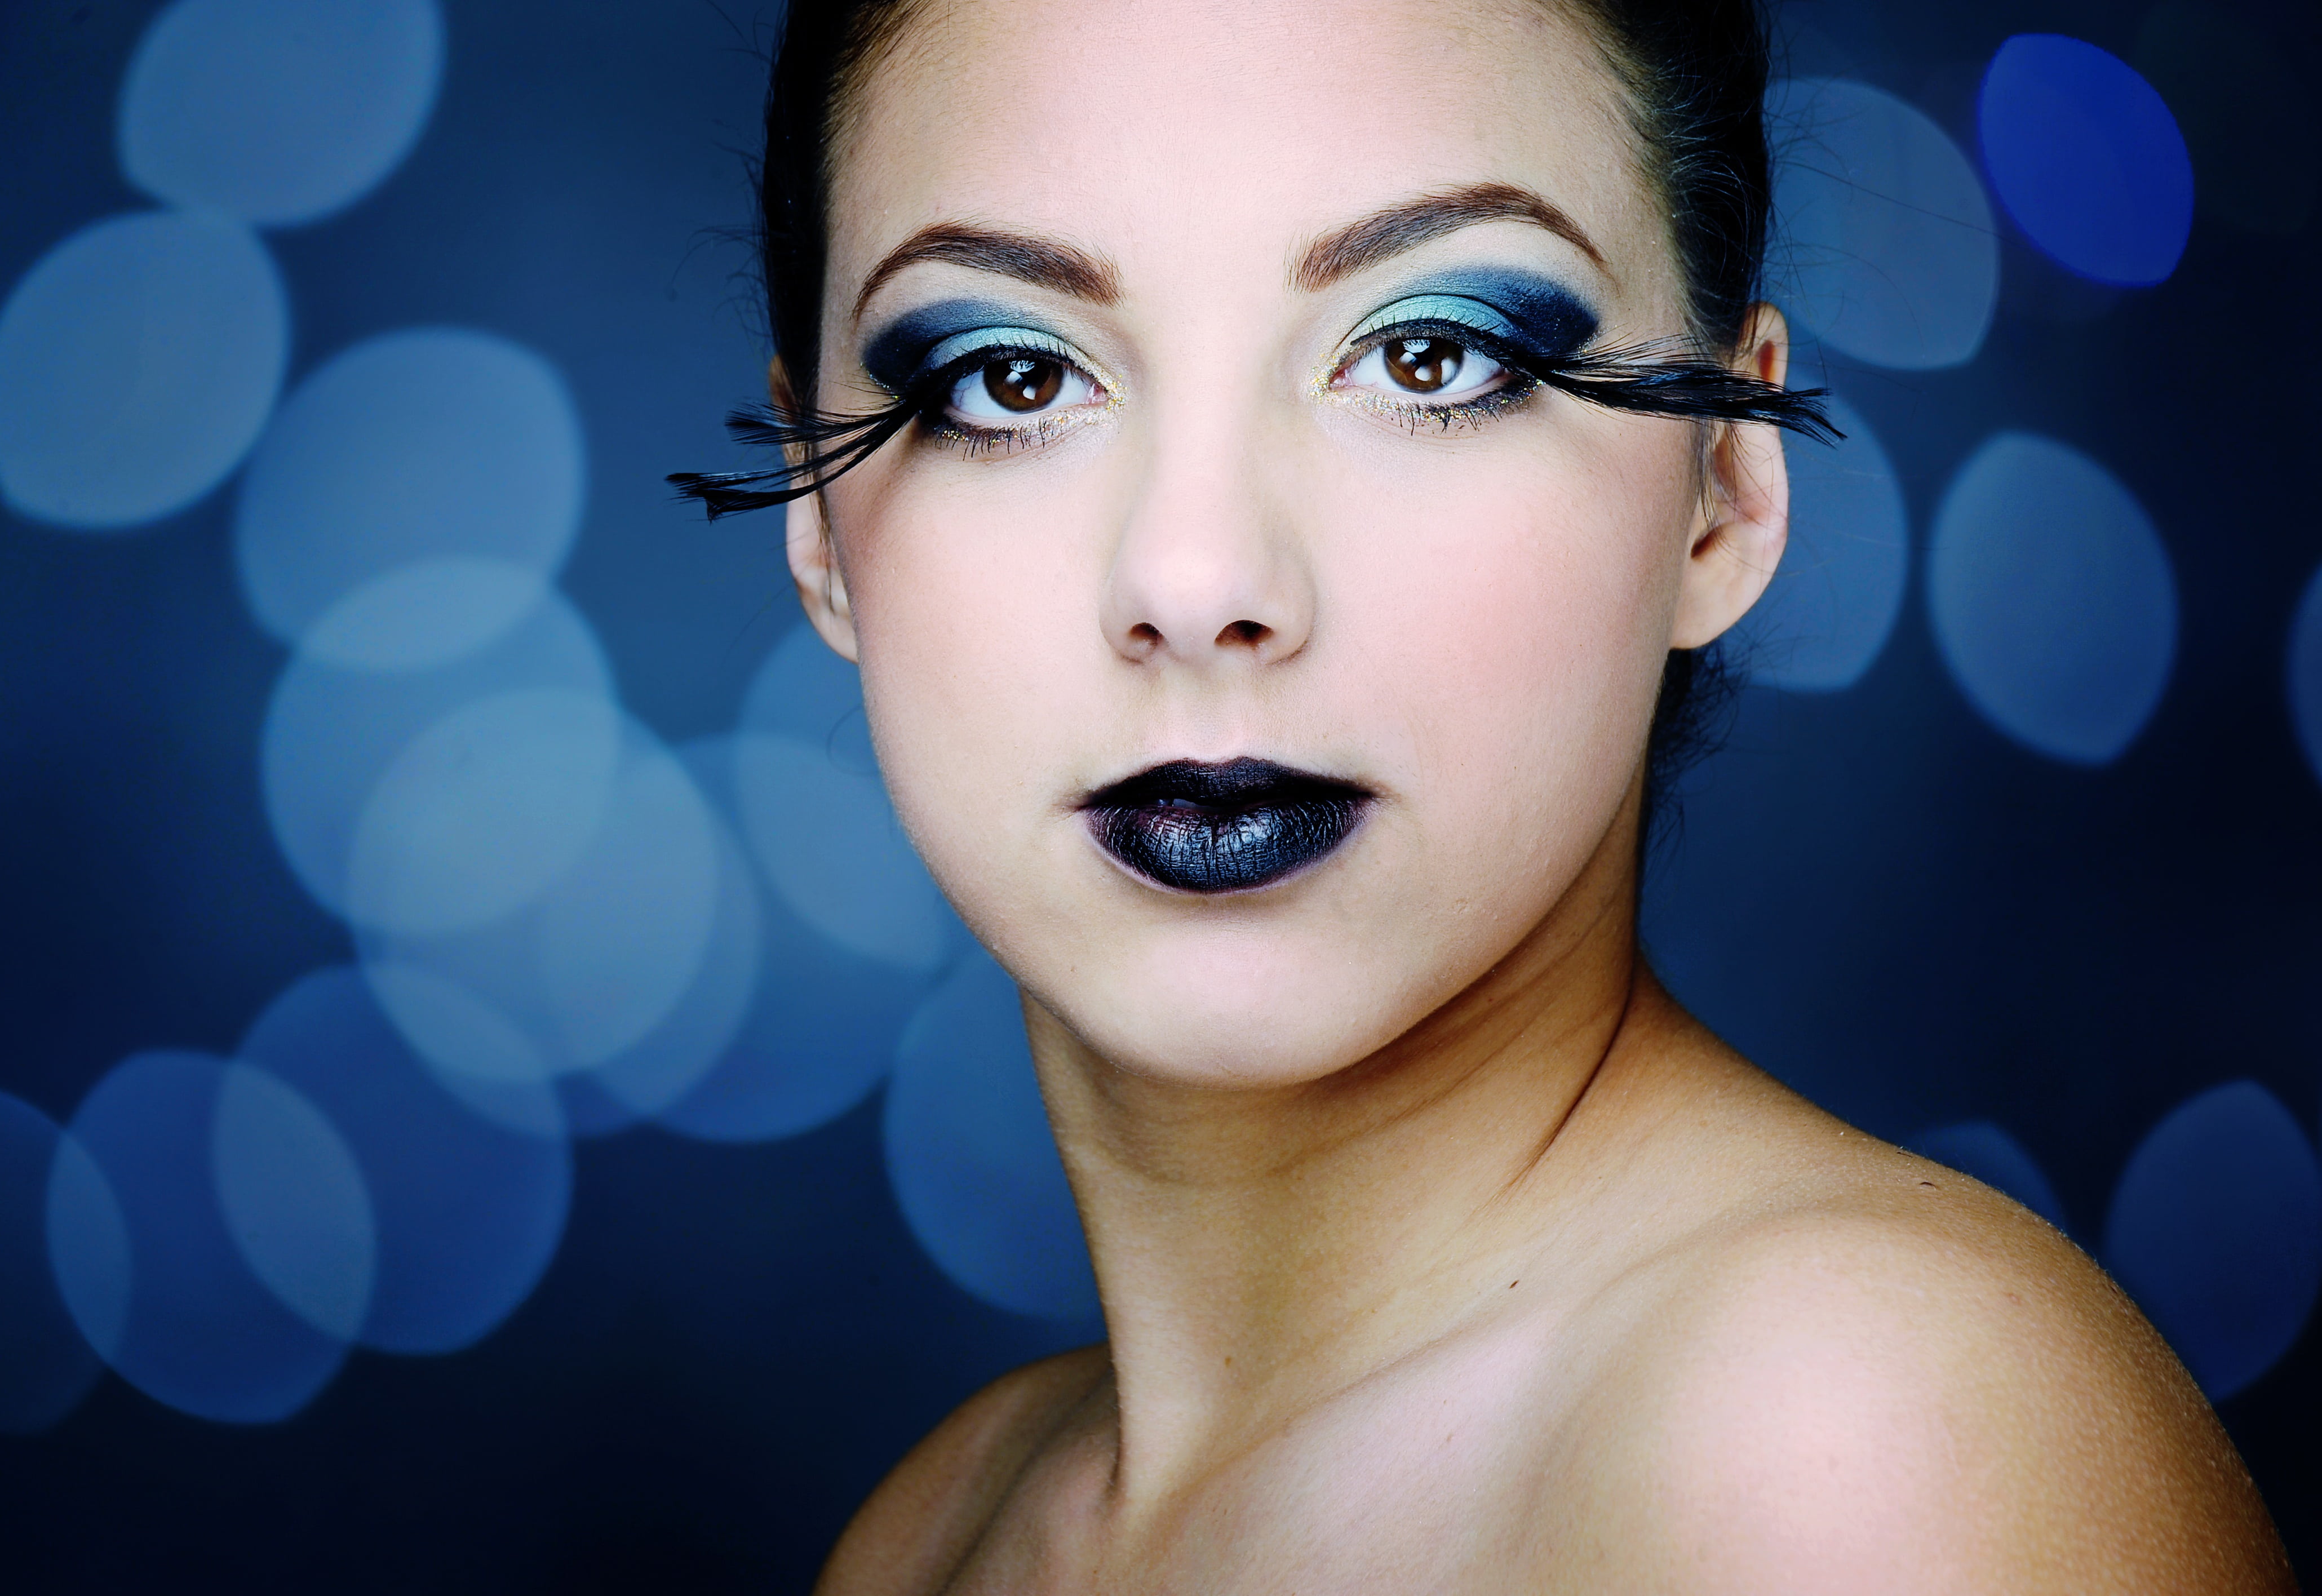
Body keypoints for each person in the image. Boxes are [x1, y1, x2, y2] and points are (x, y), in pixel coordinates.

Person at [676, 0, 2294, 1588]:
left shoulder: (1851, 1439)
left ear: (1723, 492)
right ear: (820, 526)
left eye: (1430, 353)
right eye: (1012, 378)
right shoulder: (937, 1537)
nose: (1199, 578)